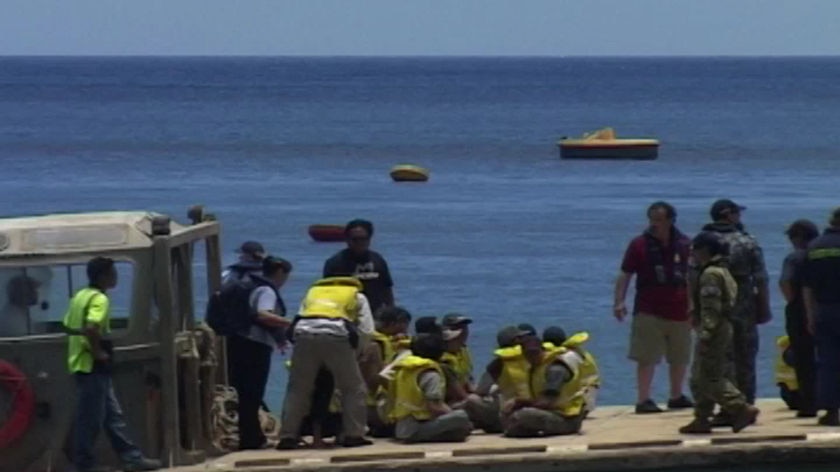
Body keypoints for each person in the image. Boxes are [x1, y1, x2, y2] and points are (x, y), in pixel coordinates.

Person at [63, 257, 160, 472]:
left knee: (111, 415)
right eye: (112, 273)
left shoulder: (80, 296)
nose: (116, 277)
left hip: (79, 363)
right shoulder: (99, 299)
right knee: (91, 419)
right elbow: (91, 327)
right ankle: (84, 464)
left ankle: (131, 457)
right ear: (102, 276)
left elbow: (68, 325)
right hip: (91, 365)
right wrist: (97, 351)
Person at [614, 201, 694, 413]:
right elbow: (625, 274)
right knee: (646, 356)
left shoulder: (686, 244)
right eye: (652, 220)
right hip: (649, 309)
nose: (654, 224)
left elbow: (693, 277)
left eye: (659, 220)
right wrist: (619, 301)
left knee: (680, 355)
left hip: (680, 309)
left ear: (670, 220)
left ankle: (676, 396)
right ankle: (643, 399)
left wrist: (696, 307)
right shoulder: (639, 244)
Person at [277, 276, 375, 449]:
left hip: (304, 334)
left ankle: (288, 436)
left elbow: (298, 320)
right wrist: (357, 353)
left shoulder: (313, 294)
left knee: (298, 389)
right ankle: (354, 434)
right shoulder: (356, 295)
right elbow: (366, 329)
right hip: (336, 335)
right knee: (353, 388)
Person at [679, 232, 759, 434]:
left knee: (708, 377)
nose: (693, 255)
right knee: (702, 375)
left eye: (695, 251)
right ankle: (702, 418)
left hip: (715, 329)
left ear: (704, 250)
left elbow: (711, 308)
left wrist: (706, 334)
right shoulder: (724, 271)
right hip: (722, 327)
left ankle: (740, 407)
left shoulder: (711, 274)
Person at [699, 199, 769, 413]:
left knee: (716, 356)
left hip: (713, 303)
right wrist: (764, 306)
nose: (739, 217)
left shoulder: (703, 242)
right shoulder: (747, 241)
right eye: (737, 213)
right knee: (745, 356)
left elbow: (692, 277)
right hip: (744, 303)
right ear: (728, 215)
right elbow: (760, 278)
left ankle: (723, 407)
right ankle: (745, 404)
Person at [227, 256, 293, 450]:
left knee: (245, 394)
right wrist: (290, 322)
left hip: (239, 342)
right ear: (280, 273)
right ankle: (251, 439)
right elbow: (263, 314)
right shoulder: (266, 290)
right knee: (253, 394)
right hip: (254, 345)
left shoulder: (252, 284)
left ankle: (249, 437)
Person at [389, 333, 473, 443]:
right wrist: (454, 415)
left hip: (400, 427)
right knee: (461, 416)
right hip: (416, 427)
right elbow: (435, 406)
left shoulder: (404, 369)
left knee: (457, 429)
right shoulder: (431, 373)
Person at [501, 336, 586, 437]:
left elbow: (547, 402)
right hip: (552, 413)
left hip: (567, 418)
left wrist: (521, 403)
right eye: (528, 354)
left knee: (523, 415)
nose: (532, 357)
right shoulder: (536, 368)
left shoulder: (555, 369)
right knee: (506, 414)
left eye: (535, 353)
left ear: (543, 350)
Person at [802, 207, 840, 426]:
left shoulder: (814, 247)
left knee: (827, 362)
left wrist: (810, 315)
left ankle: (832, 411)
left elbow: (807, 287)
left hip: (824, 310)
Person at [779, 219, 820, 417]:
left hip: (800, 312)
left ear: (798, 237)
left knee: (803, 358)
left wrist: (793, 301)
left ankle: (808, 403)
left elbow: (786, 282)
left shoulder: (794, 258)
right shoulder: (821, 254)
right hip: (827, 308)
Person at [360, 306, 413, 437]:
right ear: (395, 323)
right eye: (405, 324)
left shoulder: (388, 341)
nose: (406, 329)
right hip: (372, 405)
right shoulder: (375, 345)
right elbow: (372, 381)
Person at [323, 219, 394, 316]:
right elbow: (327, 292)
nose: (359, 243)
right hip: (345, 314)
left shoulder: (378, 260)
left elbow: (387, 290)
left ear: (369, 239)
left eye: (363, 239)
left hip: (375, 313)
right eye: (355, 239)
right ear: (347, 239)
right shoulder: (335, 263)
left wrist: (391, 313)